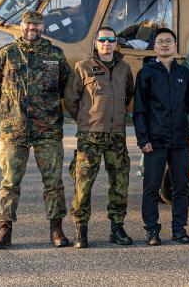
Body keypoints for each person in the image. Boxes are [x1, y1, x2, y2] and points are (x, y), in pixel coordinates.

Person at [0, 10, 72, 249]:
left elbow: (67, 83)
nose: (33, 28)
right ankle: (4, 229)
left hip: (48, 129)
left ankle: (56, 229)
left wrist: (48, 105)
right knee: (10, 181)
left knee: (54, 182)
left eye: (37, 24)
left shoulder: (55, 54)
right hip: (14, 130)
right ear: (21, 26)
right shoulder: (6, 53)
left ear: (43, 27)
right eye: (28, 24)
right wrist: (8, 103)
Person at [64, 26, 135, 248]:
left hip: (116, 135)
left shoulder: (124, 68)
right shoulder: (83, 67)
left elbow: (128, 95)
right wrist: (86, 119)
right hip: (90, 136)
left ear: (116, 43)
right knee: (83, 184)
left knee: (120, 183)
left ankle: (117, 228)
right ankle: (80, 229)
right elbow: (71, 99)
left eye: (110, 40)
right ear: (96, 43)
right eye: (102, 39)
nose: (106, 43)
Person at [133, 28, 189, 246]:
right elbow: (139, 110)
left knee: (180, 187)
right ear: (154, 46)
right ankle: (152, 230)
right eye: (160, 41)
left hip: (179, 141)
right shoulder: (146, 74)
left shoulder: (184, 74)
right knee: (151, 187)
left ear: (175, 45)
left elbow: (188, 103)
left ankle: (179, 229)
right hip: (155, 141)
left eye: (169, 41)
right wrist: (143, 139)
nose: (165, 45)